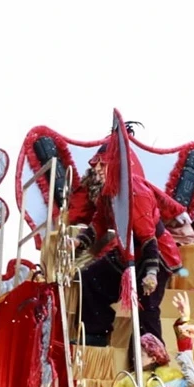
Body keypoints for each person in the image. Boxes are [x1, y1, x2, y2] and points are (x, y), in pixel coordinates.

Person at [68, 138, 184, 365]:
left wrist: (150, 274)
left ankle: (151, 365)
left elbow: (148, 238)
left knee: (146, 307)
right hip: (125, 253)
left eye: (102, 164)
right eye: (96, 165)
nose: (96, 169)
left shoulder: (136, 193)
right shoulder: (107, 192)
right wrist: (79, 242)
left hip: (155, 255)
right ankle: (95, 337)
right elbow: (99, 222)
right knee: (89, 279)